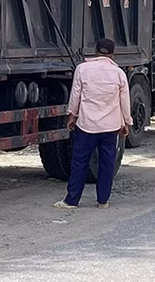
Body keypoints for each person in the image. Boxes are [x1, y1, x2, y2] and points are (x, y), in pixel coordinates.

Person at [54, 38, 132, 209]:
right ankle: (103, 200)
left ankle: (71, 200)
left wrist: (72, 115)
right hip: (110, 127)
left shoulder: (82, 69)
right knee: (107, 164)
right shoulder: (119, 73)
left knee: (79, 162)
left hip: (86, 125)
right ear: (112, 54)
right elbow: (124, 101)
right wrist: (126, 122)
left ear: (96, 51)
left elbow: (75, 95)